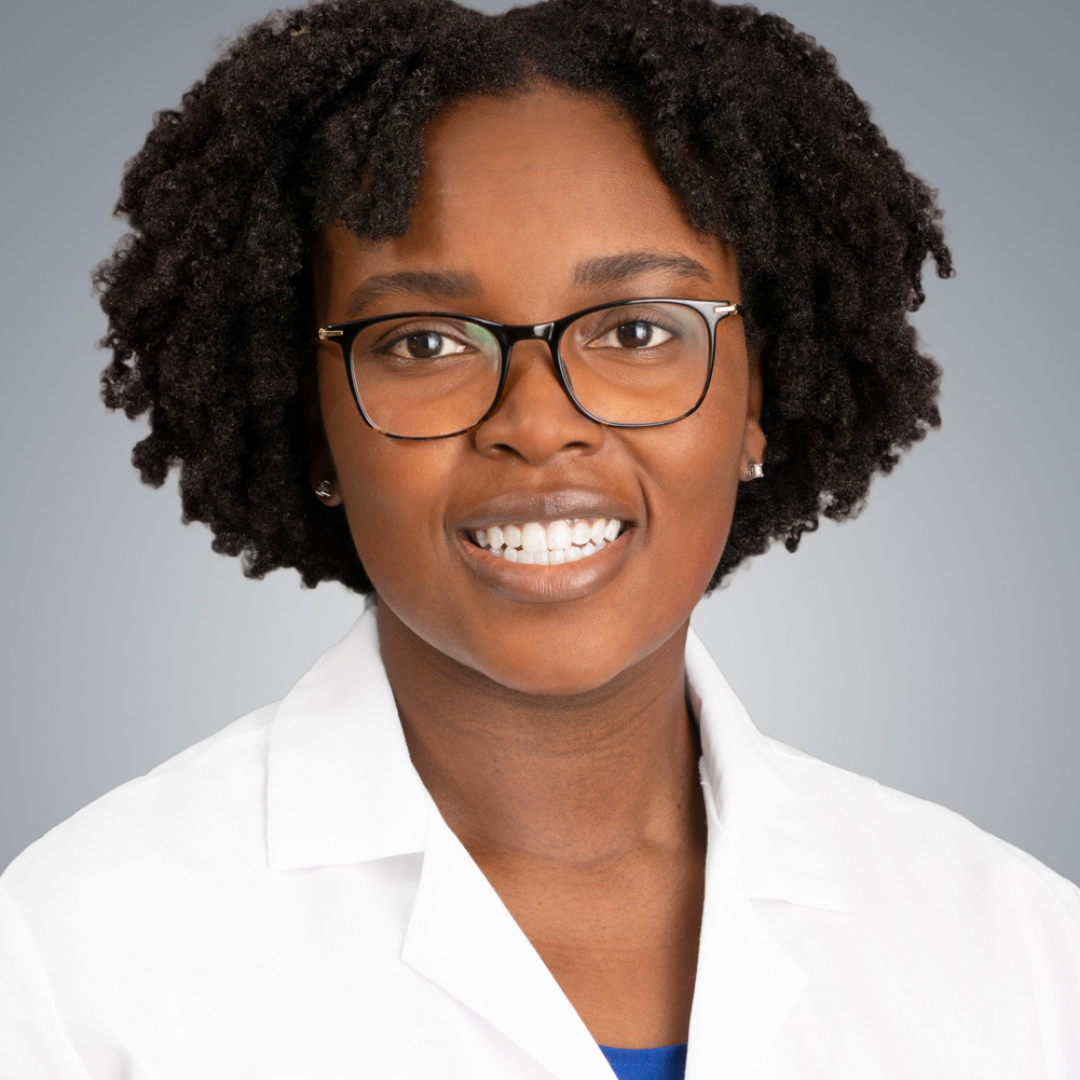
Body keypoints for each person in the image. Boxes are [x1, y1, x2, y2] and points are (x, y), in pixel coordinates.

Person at [1, 0, 1077, 1076]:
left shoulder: (1020, 956)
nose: (537, 422)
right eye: (423, 342)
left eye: (638, 330)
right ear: (313, 420)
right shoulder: (75, 964)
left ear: (759, 398)